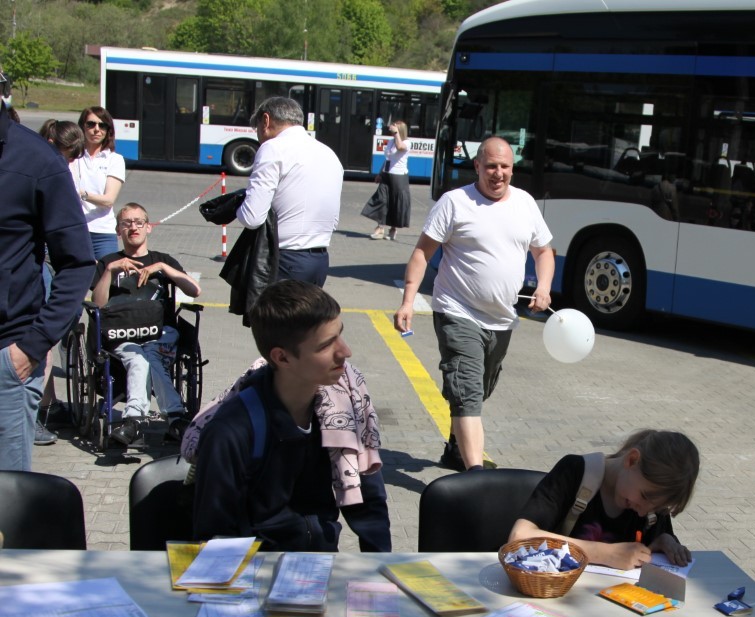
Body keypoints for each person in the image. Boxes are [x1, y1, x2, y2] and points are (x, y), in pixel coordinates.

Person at [394, 136, 555, 471]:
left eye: (505, 167)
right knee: (467, 393)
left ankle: (456, 448)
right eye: (491, 166)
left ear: (513, 168)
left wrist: (544, 286)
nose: (498, 173)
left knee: (478, 390)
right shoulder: (455, 202)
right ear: (478, 166)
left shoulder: (525, 203)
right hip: (457, 311)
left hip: (502, 319)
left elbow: (543, 252)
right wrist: (408, 300)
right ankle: (475, 475)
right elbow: (423, 253)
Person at [193, 280, 391, 552]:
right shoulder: (232, 430)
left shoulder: (345, 404)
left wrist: (378, 566)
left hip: (319, 564)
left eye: (340, 335)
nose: (345, 352)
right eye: (326, 345)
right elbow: (216, 537)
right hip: (258, 570)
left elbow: (368, 500)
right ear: (282, 358)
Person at [0, 70, 97, 470]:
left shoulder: (36, 160)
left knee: (6, 507)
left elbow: (76, 263)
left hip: (7, 354)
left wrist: (31, 348)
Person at [508, 430, 698, 570]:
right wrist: (604, 554)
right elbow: (519, 537)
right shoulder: (575, 472)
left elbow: (641, 555)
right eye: (644, 496)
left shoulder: (650, 503)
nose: (642, 511)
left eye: (657, 507)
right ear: (631, 460)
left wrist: (663, 541)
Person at [91, 203, 202, 446]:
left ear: (148, 227)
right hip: (123, 334)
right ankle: (174, 418)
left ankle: (134, 422)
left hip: (160, 332)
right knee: (140, 358)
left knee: (149, 355)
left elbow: (194, 290)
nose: (133, 227)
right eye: (126, 223)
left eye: (138, 222)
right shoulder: (108, 262)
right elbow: (97, 305)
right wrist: (110, 271)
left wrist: (163, 268)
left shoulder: (162, 260)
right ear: (118, 230)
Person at [237, 96, 343, 287]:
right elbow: (333, 221)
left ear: (266, 121)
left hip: (284, 260)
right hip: (319, 259)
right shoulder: (328, 153)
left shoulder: (273, 148)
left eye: (257, 130)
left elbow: (252, 218)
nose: (259, 138)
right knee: (308, 317)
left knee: (267, 317)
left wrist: (235, 205)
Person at [32, 119, 87, 447]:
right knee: (40, 340)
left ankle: (45, 404)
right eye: (65, 155)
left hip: (53, 259)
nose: (66, 163)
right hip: (40, 261)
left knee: (48, 339)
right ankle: (39, 409)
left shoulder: (51, 166)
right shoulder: (39, 168)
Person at [76, 106, 126, 260]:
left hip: (103, 233)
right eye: (91, 124)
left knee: (105, 279)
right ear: (82, 127)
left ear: (108, 130)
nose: (96, 129)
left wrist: (81, 195)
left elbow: (108, 200)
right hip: (76, 229)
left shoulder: (115, 159)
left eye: (102, 125)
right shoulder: (73, 157)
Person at [363, 119, 411, 241]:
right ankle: (379, 228)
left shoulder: (406, 142)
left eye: (394, 127)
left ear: (399, 130)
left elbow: (400, 147)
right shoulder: (391, 142)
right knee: (382, 199)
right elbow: (388, 159)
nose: (391, 128)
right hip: (387, 174)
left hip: (399, 177)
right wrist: (380, 173)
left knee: (396, 203)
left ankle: (393, 230)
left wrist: (396, 135)